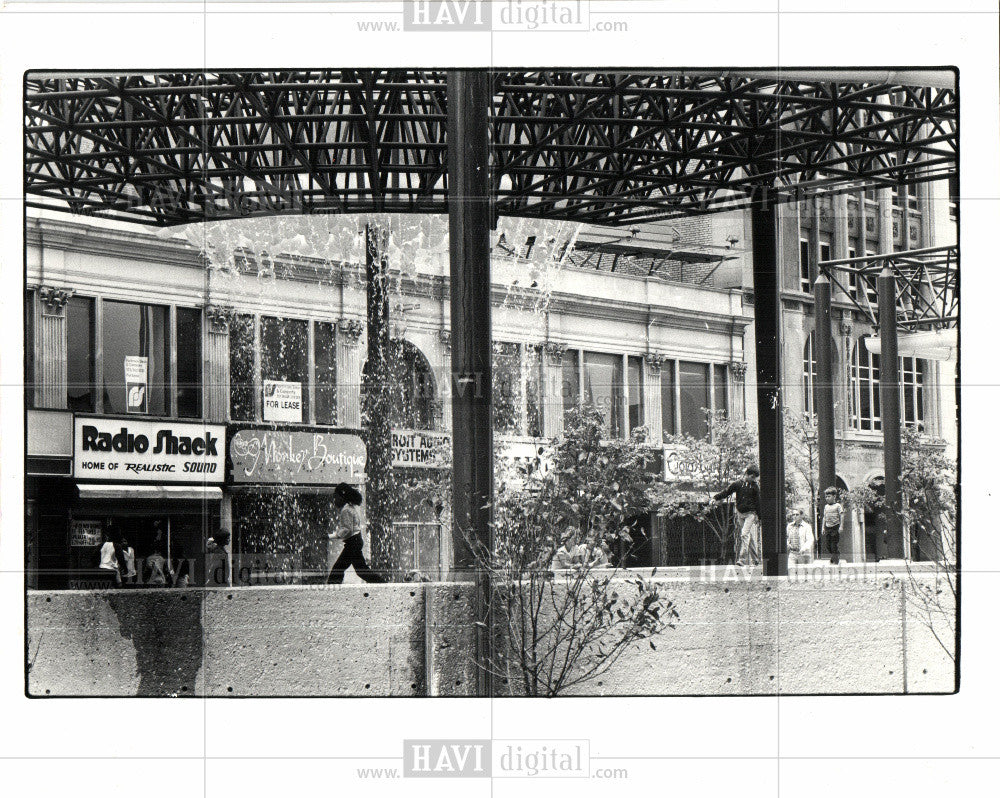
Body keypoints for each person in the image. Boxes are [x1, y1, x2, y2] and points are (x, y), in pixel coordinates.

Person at [326, 483, 385, 584]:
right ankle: (382, 584)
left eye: (336, 497)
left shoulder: (346, 510)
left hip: (352, 543)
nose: (334, 501)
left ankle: (332, 591)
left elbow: (347, 530)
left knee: (338, 569)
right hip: (355, 541)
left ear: (342, 497)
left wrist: (329, 536)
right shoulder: (350, 508)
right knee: (361, 570)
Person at [713, 464, 763, 567]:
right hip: (740, 513)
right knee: (748, 536)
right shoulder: (737, 484)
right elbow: (726, 492)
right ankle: (756, 559)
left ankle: (742, 559)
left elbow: (758, 502)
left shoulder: (755, 486)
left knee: (744, 534)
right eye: (752, 477)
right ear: (747, 474)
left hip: (750, 514)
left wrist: (760, 517)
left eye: (755, 478)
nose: (753, 480)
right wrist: (715, 498)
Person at [822, 487, 844, 565]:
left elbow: (841, 515)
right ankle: (836, 555)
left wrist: (841, 526)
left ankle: (835, 560)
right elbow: (824, 517)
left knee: (833, 544)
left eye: (829, 496)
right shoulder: (826, 507)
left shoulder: (838, 506)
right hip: (828, 527)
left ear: (834, 497)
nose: (827, 498)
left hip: (835, 527)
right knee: (828, 545)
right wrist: (823, 527)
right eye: (826, 497)